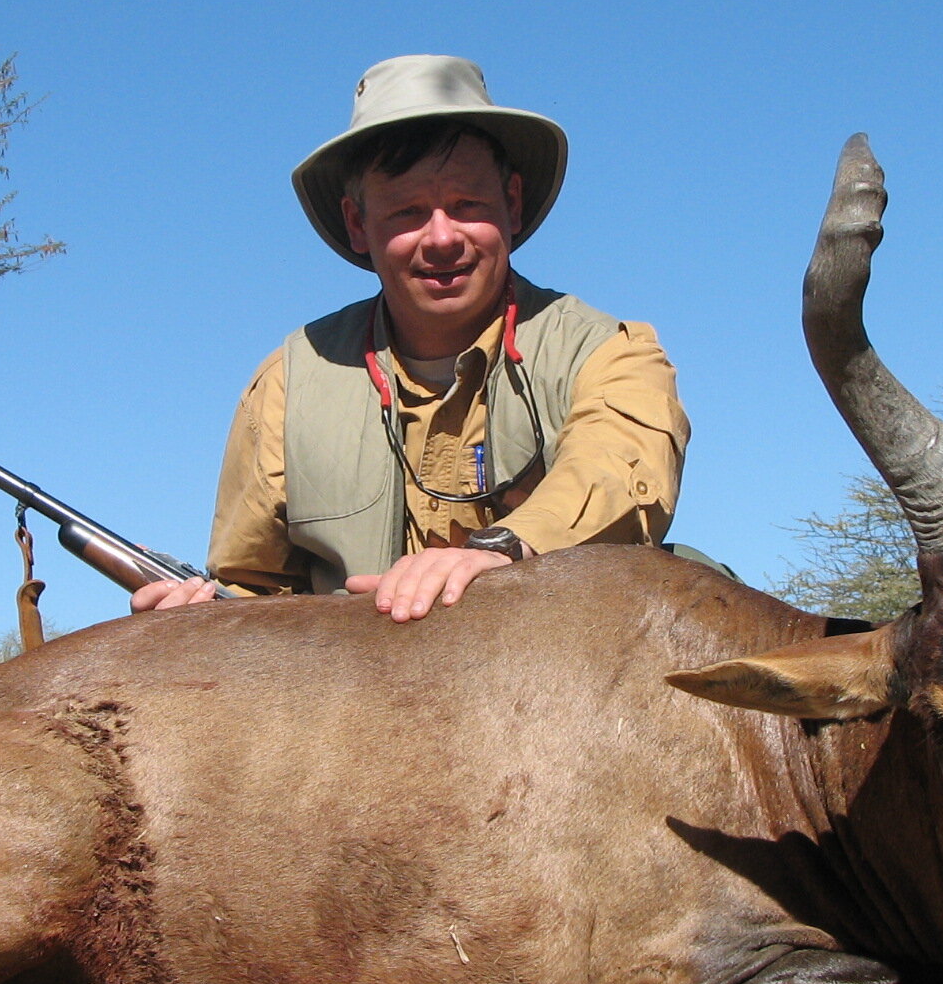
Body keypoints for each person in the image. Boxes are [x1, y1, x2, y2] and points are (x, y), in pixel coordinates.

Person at [134, 55, 689, 620]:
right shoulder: (288, 382)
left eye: (468, 204)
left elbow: (618, 472)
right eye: (408, 212)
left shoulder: (610, 351)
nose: (442, 238)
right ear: (357, 225)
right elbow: (253, 588)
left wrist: (498, 552)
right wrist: (199, 618)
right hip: (352, 692)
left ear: (512, 204)